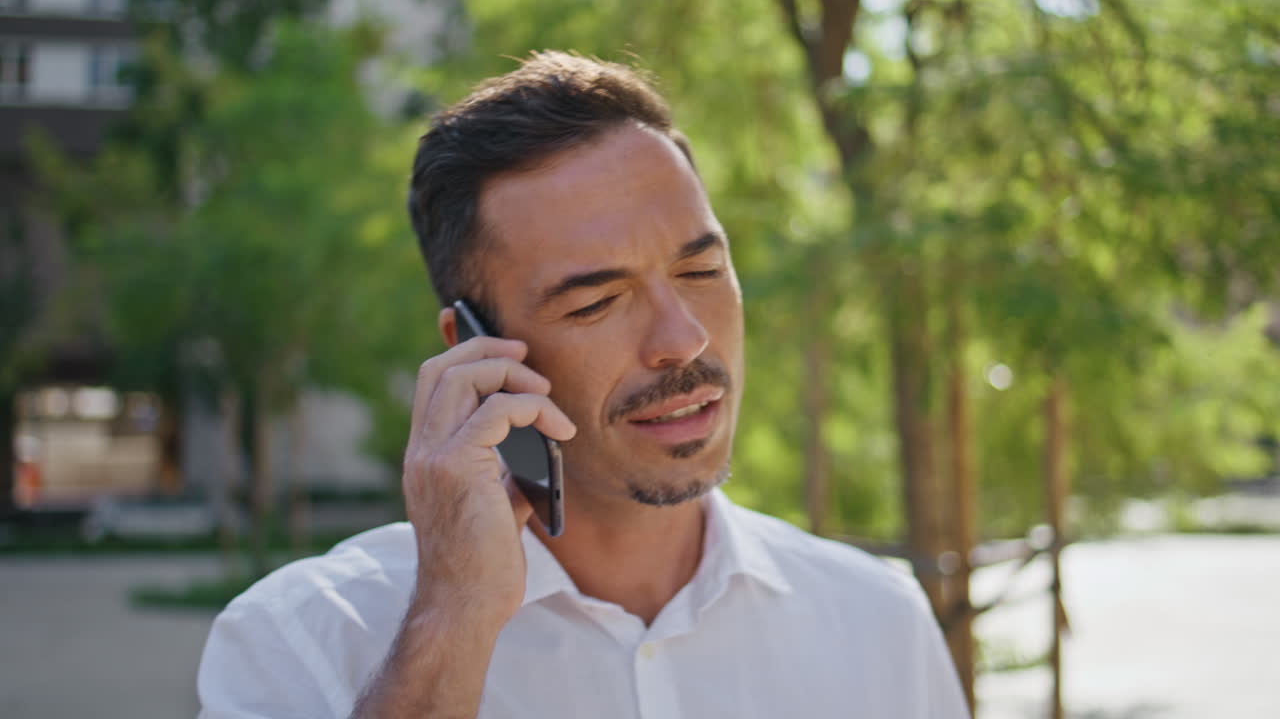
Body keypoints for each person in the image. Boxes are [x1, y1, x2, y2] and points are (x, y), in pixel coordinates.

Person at [196, 51, 970, 719]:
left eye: (701, 271)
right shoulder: (300, 639)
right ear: (474, 351)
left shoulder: (878, 623)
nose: (684, 339)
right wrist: (451, 622)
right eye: (596, 302)